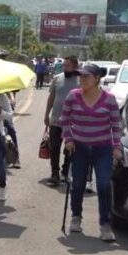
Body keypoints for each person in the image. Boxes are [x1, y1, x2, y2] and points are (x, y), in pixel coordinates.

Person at [60, 64, 122, 242]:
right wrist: (69, 139)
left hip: (103, 148)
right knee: (77, 184)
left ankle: (105, 224)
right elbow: (65, 119)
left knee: (103, 185)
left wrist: (116, 146)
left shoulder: (109, 100)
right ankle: (76, 217)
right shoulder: (73, 96)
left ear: (96, 79)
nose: (82, 79)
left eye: (86, 77)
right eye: (81, 76)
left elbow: (115, 125)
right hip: (79, 148)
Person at [44, 56, 79, 186]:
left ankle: (65, 170)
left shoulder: (81, 81)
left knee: (69, 149)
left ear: (75, 67)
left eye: (68, 66)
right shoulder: (57, 79)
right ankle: (55, 174)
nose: (65, 68)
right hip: (56, 121)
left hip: (73, 123)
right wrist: (46, 114)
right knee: (54, 148)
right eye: (64, 65)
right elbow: (51, 97)